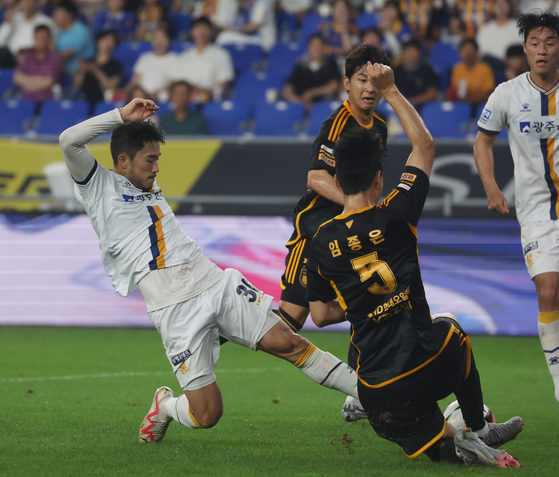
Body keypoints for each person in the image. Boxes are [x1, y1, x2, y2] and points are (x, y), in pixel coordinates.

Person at [58, 97, 361, 443]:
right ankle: (166, 406)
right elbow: (69, 140)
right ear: (123, 160)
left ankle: (376, 395)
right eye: (150, 160)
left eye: (158, 159)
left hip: (214, 282)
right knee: (206, 414)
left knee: (289, 343)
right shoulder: (98, 187)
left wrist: (139, 129)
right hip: (174, 309)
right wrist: (120, 116)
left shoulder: (147, 185)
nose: (156, 168)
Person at [306, 61, 524, 467]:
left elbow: (319, 315)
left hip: (374, 392)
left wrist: (357, 303)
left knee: (440, 447)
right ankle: (478, 428)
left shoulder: (321, 241)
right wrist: (390, 90)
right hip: (424, 367)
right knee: (453, 332)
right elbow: (424, 146)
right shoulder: (396, 214)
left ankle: (457, 444)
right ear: (378, 178)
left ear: (338, 181)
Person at [278, 42, 390, 422]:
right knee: (290, 322)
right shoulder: (337, 124)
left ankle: (360, 393)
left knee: (372, 302)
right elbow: (315, 177)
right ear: (347, 83)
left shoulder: (381, 128)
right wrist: (352, 204)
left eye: (376, 81)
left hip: (350, 232)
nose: (369, 88)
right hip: (316, 230)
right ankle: (222, 326)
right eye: (362, 79)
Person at [474, 11, 559, 404]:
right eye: (535, 43)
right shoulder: (507, 93)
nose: (542, 51)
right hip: (538, 211)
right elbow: (483, 141)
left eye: (550, 42)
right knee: (548, 292)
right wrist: (491, 187)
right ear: (524, 48)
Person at [174, 16, 234, 104]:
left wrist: (205, 91)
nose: (201, 31)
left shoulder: (221, 54)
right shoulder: (184, 57)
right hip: (186, 101)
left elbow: (224, 81)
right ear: (192, 31)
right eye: (198, 28)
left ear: (210, 31)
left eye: (204, 28)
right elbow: (178, 82)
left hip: (210, 99)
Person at [281, 33, 342, 109]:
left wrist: (312, 93)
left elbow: (333, 86)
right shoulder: (301, 66)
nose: (316, 49)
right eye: (313, 46)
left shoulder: (330, 64)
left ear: (324, 48)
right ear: (308, 48)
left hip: (323, 105)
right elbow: (287, 89)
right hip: (301, 105)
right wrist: (299, 101)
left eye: (319, 46)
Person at [74, 30, 122, 115]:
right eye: (104, 40)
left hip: (103, 102)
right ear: (98, 42)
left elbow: (111, 85)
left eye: (111, 41)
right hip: (85, 100)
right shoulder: (87, 61)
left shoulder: (116, 65)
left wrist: (95, 70)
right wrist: (82, 72)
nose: (107, 43)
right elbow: (76, 84)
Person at [13, 24, 62, 105]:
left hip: (46, 102)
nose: (41, 40)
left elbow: (49, 82)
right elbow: (17, 78)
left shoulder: (55, 58)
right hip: (25, 101)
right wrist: (38, 81)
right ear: (34, 38)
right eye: (38, 37)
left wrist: (27, 83)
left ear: (49, 39)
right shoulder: (28, 56)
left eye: (43, 38)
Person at [124, 26, 176, 101]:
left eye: (162, 38)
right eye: (156, 38)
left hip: (160, 95)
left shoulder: (173, 58)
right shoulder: (145, 57)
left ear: (169, 41)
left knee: (163, 96)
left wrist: (155, 93)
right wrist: (123, 91)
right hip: (141, 94)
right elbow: (135, 81)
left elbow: (172, 82)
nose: (159, 42)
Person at [393, 38, 439, 112]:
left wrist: (412, 102)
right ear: (402, 53)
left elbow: (432, 93)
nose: (410, 53)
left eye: (413, 50)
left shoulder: (427, 70)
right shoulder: (396, 71)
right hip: (400, 108)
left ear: (419, 52)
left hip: (423, 107)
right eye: (408, 50)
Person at [53, 0, 95, 75]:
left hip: (80, 72)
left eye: (59, 13)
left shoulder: (81, 31)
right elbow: (54, 51)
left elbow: (66, 55)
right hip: (65, 70)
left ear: (69, 15)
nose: (55, 16)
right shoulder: (60, 31)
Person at [449, 38, 495, 105]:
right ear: (460, 52)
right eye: (465, 49)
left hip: (482, 104)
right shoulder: (457, 68)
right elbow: (455, 88)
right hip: (462, 104)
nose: (467, 52)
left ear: (476, 52)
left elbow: (488, 91)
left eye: (470, 50)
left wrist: (472, 101)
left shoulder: (485, 68)